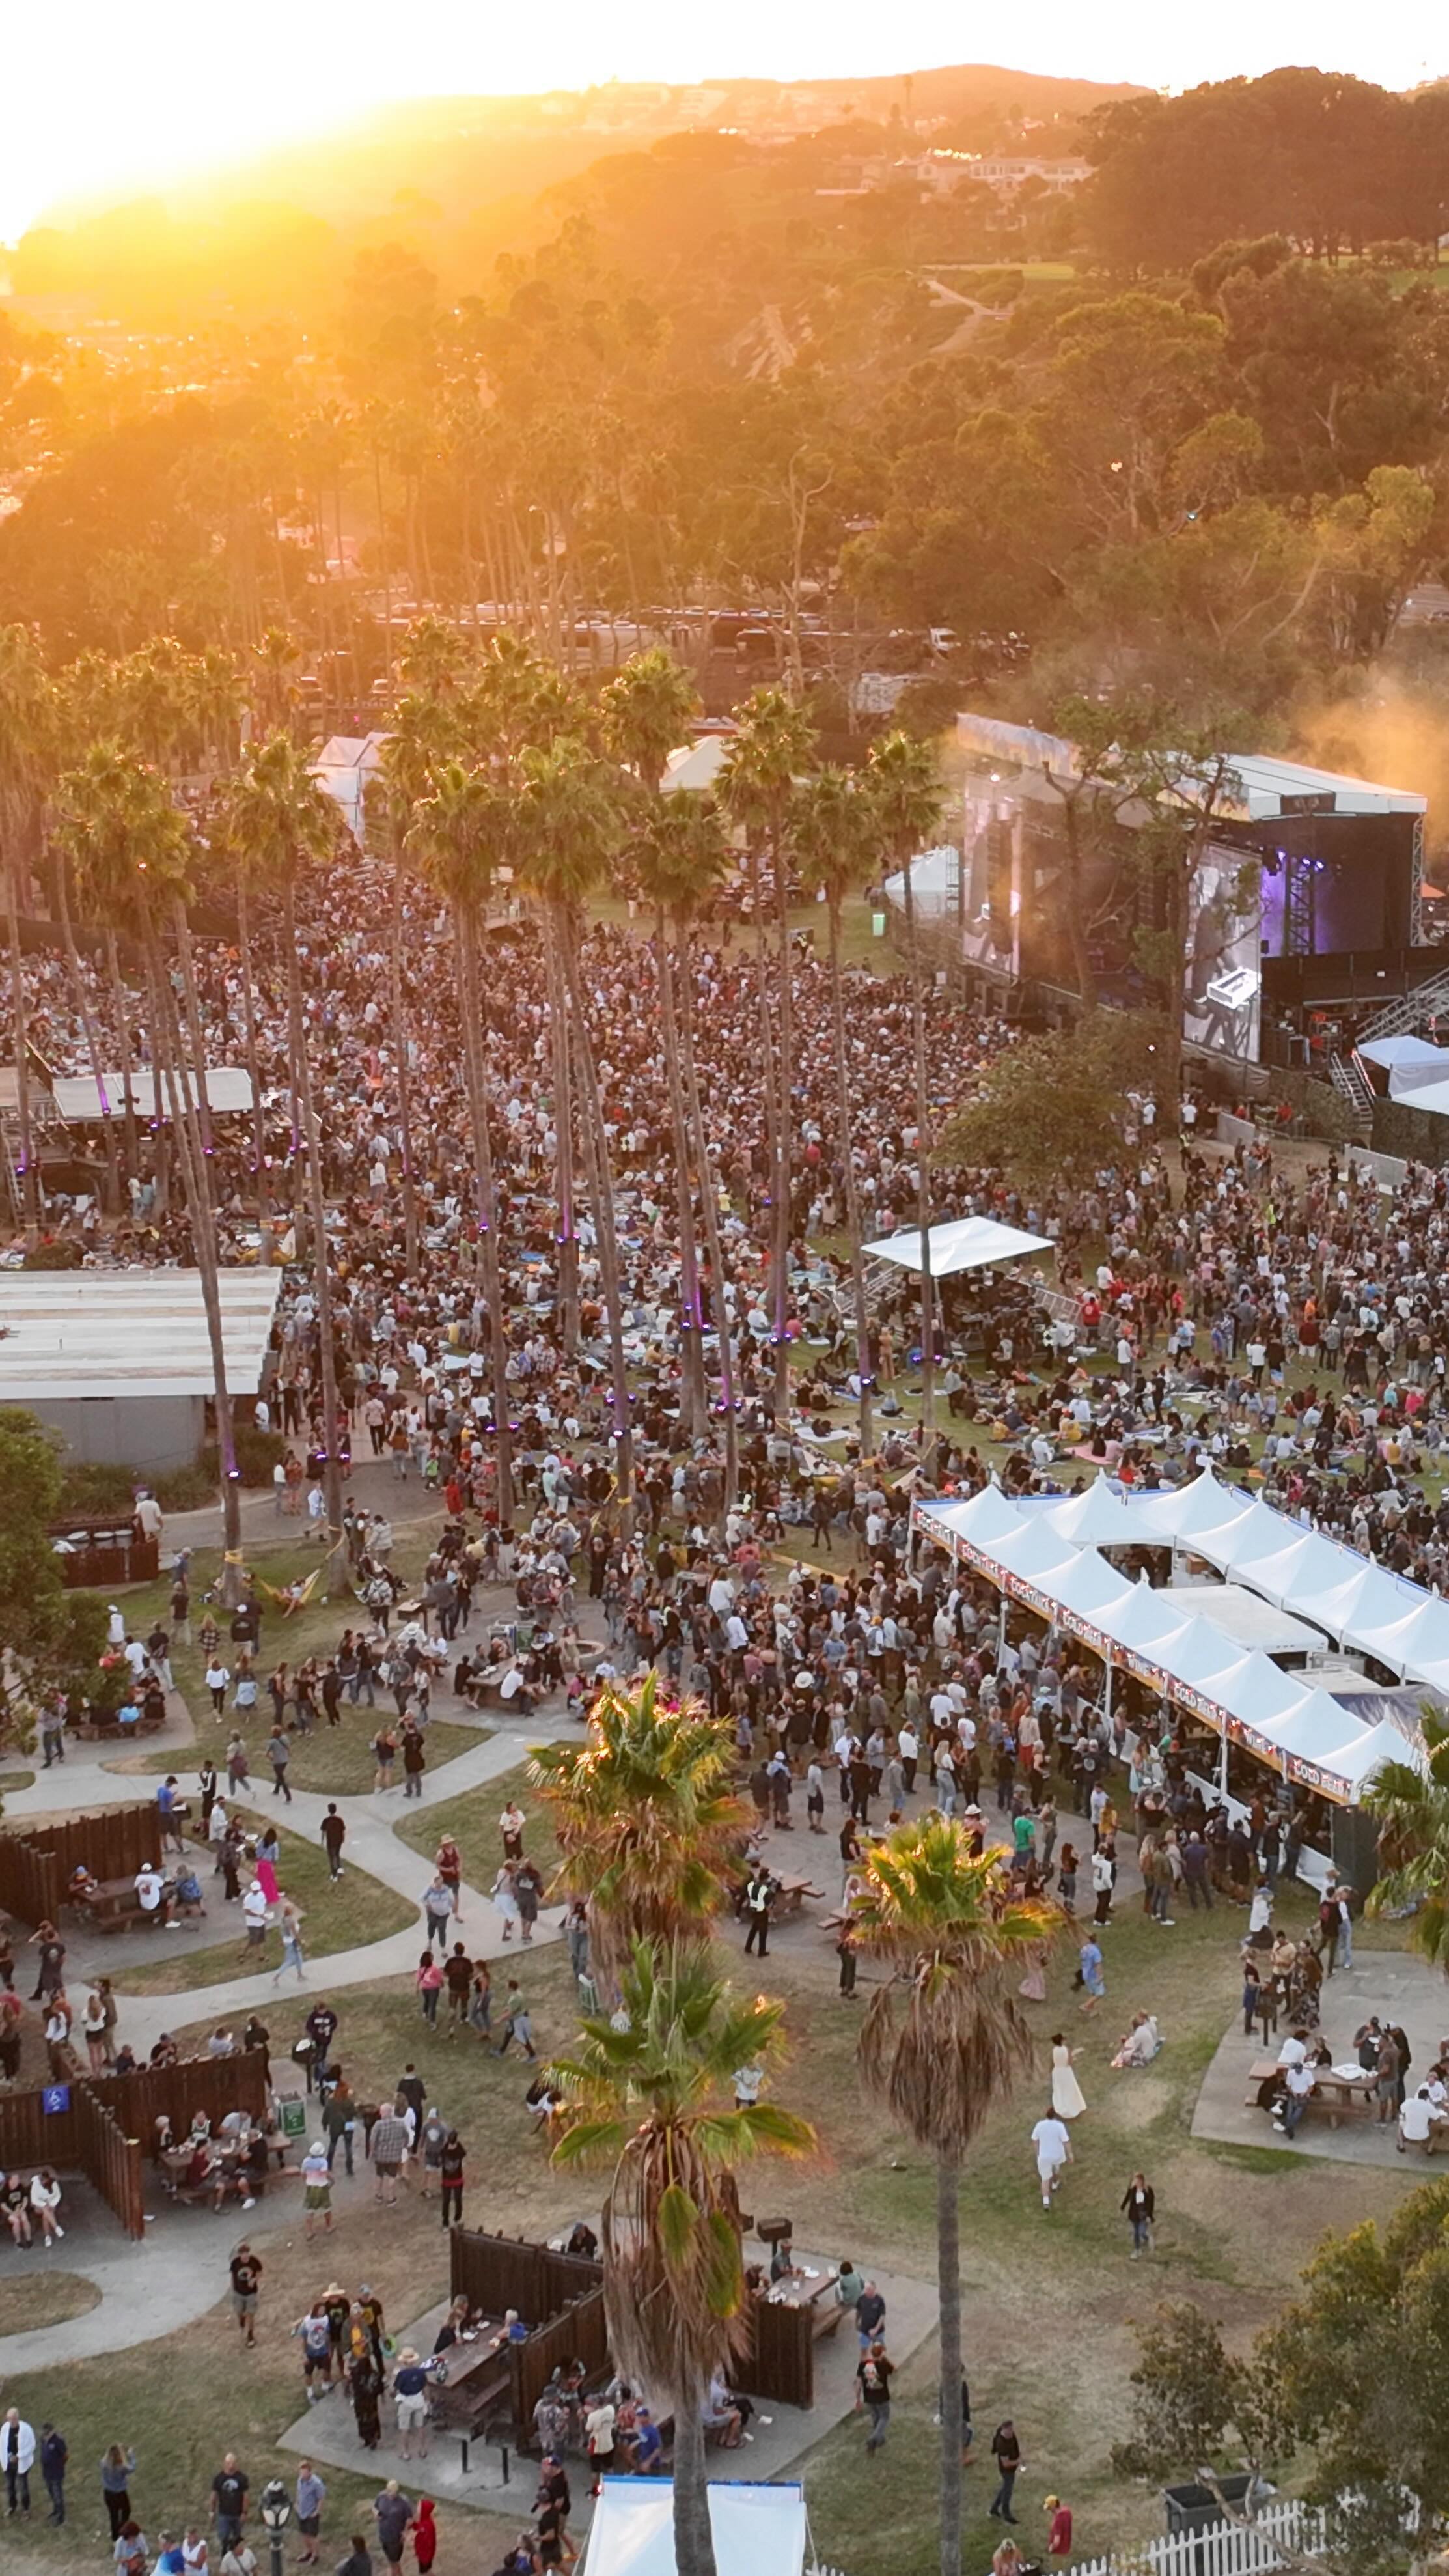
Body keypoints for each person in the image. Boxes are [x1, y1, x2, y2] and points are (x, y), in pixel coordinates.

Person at [393, 2353, 434, 2461]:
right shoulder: (420, 2373)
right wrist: (428, 2401)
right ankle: (422, 2450)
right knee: (420, 2427)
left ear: (404, 2362)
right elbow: (426, 2387)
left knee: (404, 2428)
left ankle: (406, 2453)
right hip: (419, 2400)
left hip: (406, 2402)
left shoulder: (401, 2374)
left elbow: (396, 2390)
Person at [855, 2340, 894, 2451]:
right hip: (882, 2397)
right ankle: (873, 2438)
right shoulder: (884, 2364)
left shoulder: (863, 2365)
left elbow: (858, 2384)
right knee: (884, 2417)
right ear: (882, 2352)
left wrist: (858, 2399)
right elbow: (893, 2370)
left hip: (869, 2398)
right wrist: (885, 2358)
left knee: (875, 2417)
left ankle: (880, 2440)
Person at [1031, 2107, 1072, 2209]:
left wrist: (1038, 2154)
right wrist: (1070, 2154)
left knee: (1044, 2180)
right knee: (1056, 2170)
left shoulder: (1040, 2125)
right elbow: (1066, 2141)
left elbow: (1035, 2140)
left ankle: (1046, 2202)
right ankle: (1054, 2185)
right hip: (1057, 2155)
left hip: (1044, 2157)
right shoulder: (1060, 2126)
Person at [212, 2454, 249, 2551]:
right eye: (229, 2463)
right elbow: (214, 2496)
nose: (231, 2466)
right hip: (224, 2514)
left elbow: (246, 2497)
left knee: (237, 2539)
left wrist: (244, 2513)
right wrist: (212, 2511)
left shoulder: (242, 2478)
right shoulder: (219, 2478)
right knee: (224, 2538)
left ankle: (236, 2559)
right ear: (225, 2463)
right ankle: (225, 2558)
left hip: (238, 2514)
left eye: (233, 2463)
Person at [3, 2408, 34, 2517]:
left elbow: (32, 2446)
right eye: (9, 2419)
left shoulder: (26, 2429)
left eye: (13, 2419)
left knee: (23, 2487)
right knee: (10, 2486)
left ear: (17, 2418)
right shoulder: (5, 2428)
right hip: (8, 2463)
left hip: (22, 2464)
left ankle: (26, 2509)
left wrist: (19, 2456)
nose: (11, 2421)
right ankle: (12, 2507)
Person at [989, 2420, 1023, 2523]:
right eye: (1009, 2431)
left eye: (1012, 2429)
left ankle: (994, 2509)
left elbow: (1015, 2446)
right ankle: (1006, 2513)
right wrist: (1018, 2462)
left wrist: (1019, 2456)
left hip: (1012, 2468)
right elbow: (1006, 2464)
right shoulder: (1002, 2444)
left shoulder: (1011, 2435)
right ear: (1004, 2430)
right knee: (1007, 2491)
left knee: (1006, 2488)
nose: (1012, 2432)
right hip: (1006, 2471)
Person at [230, 2241, 263, 2344]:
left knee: (251, 2314)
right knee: (239, 2312)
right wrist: (233, 2289)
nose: (244, 2255)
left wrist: (254, 2280)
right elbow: (233, 2276)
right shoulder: (235, 2263)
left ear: (248, 2253)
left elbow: (260, 2272)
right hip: (239, 2293)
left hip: (251, 2293)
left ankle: (250, 2335)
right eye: (242, 2253)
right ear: (239, 2254)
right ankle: (242, 2321)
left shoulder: (254, 2261)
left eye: (246, 2253)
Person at [102, 2444, 137, 2538]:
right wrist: (131, 2455)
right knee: (126, 2511)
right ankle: (122, 2530)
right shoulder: (121, 2468)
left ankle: (115, 2535)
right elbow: (132, 2468)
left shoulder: (104, 2464)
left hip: (108, 2493)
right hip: (120, 2494)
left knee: (114, 2515)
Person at [295, 2464, 327, 2566]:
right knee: (304, 2534)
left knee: (313, 2535)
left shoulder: (316, 2484)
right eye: (301, 2472)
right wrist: (297, 2504)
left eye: (304, 2472)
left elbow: (321, 2499)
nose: (302, 2475)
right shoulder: (300, 2480)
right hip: (301, 2512)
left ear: (310, 2472)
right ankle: (307, 2552)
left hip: (311, 2513)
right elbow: (299, 2492)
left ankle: (315, 2555)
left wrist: (316, 2512)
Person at [1049, 2034, 1086, 2121]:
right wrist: (1073, 2058)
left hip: (1057, 2072)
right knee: (1069, 2089)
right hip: (1065, 2072)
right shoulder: (1066, 2050)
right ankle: (1072, 2107)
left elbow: (1054, 2062)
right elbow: (1069, 2063)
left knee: (1060, 2090)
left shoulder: (1054, 2050)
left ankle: (1061, 2106)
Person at [1122, 2171, 1155, 2256]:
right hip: (1134, 2214)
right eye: (1134, 2180)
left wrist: (1149, 2215)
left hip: (1143, 2214)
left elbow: (1151, 2203)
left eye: (1136, 2180)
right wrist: (1122, 2207)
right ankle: (1137, 2250)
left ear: (1141, 2180)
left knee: (1141, 2232)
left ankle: (1147, 2238)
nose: (1135, 2182)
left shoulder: (1148, 2190)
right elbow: (1127, 2197)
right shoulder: (1133, 2189)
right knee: (1136, 2233)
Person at [40, 2423, 66, 2525]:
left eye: (47, 2433)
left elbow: (65, 2455)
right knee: (51, 2492)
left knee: (58, 2494)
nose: (45, 2435)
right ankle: (55, 2510)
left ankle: (61, 2516)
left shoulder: (58, 2441)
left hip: (56, 2473)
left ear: (52, 2431)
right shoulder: (43, 2439)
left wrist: (59, 2465)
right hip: (47, 2472)